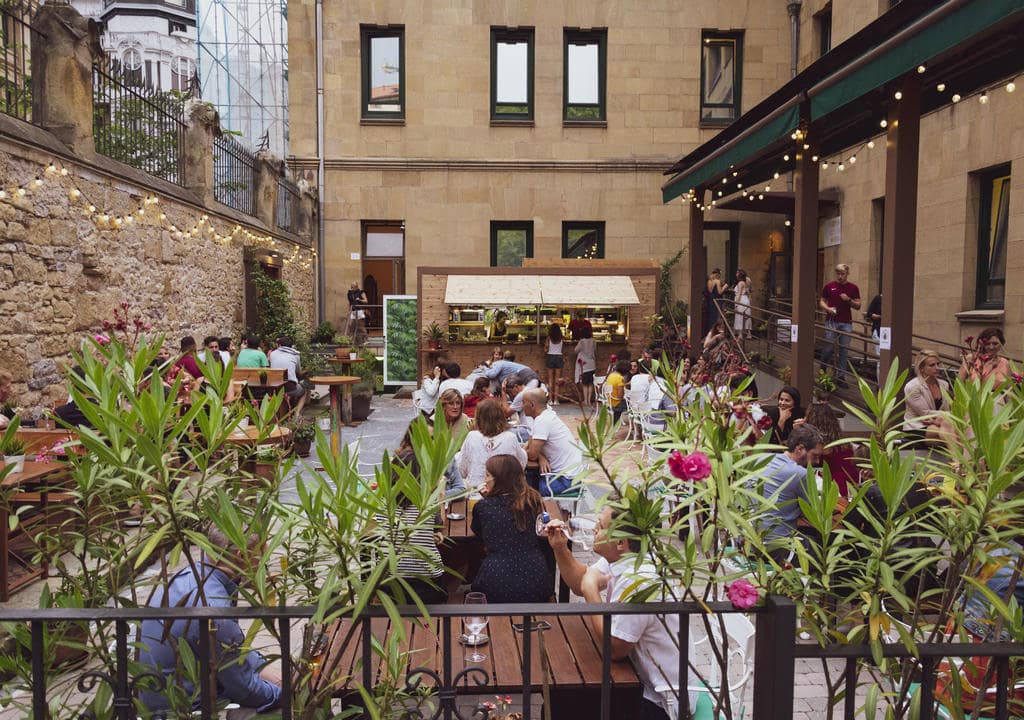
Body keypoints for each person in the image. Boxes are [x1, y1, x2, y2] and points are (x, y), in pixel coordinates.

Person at [544, 504, 698, 719]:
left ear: (620, 543)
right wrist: (560, 548)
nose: (594, 528)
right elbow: (581, 581)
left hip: (661, 699)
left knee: (565, 699)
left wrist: (591, 591)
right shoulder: (626, 558)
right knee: (561, 693)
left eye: (600, 525)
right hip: (637, 678)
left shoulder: (641, 579)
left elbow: (614, 649)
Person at [137, 526, 281, 714]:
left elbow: (228, 651)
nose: (265, 567)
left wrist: (262, 666)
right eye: (263, 559)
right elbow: (247, 690)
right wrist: (287, 691)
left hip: (154, 695)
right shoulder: (215, 607)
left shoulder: (192, 575)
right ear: (241, 555)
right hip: (181, 709)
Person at [470, 454, 554, 603]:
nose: (485, 479)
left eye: (488, 475)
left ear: (499, 479)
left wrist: (488, 499)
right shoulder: (533, 500)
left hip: (495, 581)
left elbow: (478, 531)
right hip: (537, 580)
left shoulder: (483, 507)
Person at [374, 448, 447, 604]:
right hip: (427, 583)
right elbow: (440, 524)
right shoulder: (426, 502)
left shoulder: (382, 502)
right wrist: (440, 495)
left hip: (389, 580)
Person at [753, 423, 823, 562]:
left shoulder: (761, 460)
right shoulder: (800, 473)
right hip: (777, 547)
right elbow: (814, 513)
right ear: (800, 449)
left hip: (748, 542)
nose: (817, 461)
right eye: (815, 455)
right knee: (822, 551)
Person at [522, 388, 583, 494]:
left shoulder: (542, 421)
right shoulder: (546, 415)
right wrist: (541, 456)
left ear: (532, 405)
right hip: (573, 477)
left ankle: (541, 510)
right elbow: (529, 445)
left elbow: (531, 454)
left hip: (567, 481)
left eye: (523, 402)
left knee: (524, 486)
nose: (522, 406)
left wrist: (536, 455)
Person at [458, 399, 527, 489]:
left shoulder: (472, 436)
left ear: (478, 418)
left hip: (476, 490)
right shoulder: (510, 437)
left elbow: (461, 469)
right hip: (504, 491)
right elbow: (521, 464)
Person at [802, 403, 857, 497]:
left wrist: (799, 431)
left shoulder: (818, 444)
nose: (804, 419)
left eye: (806, 416)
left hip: (833, 489)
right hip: (851, 487)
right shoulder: (842, 440)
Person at [819, 264, 861, 386]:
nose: (840, 276)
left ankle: (841, 376)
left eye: (842, 274)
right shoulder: (829, 286)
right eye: (838, 273)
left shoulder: (853, 288)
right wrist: (828, 309)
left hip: (846, 322)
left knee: (844, 350)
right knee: (828, 348)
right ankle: (823, 369)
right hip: (831, 321)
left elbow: (858, 305)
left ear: (847, 274)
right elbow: (821, 301)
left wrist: (848, 300)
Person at [904, 350, 955, 446]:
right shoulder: (912, 387)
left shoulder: (944, 384)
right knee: (947, 433)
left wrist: (940, 419)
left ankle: (956, 459)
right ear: (921, 368)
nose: (937, 368)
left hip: (938, 423)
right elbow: (925, 414)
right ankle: (959, 459)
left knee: (947, 431)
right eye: (932, 365)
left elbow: (945, 409)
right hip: (917, 426)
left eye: (938, 364)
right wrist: (951, 415)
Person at [269, 336, 306, 415]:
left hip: (274, 387)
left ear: (279, 345)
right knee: (304, 392)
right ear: (291, 346)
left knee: (283, 393)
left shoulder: (272, 354)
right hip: (289, 387)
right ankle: (297, 413)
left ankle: (284, 416)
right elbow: (298, 371)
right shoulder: (295, 355)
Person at [575, 325, 597, 408]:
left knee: (584, 384)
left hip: (584, 365)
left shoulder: (582, 341)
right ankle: (589, 400)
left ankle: (585, 400)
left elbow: (576, 350)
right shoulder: (593, 341)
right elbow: (595, 350)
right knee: (590, 383)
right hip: (592, 364)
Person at [544, 324, 565, 405]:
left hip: (550, 357)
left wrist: (546, 350)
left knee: (550, 380)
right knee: (557, 380)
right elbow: (562, 350)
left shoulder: (549, 338)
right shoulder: (561, 338)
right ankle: (556, 400)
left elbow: (546, 349)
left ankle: (550, 400)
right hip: (559, 357)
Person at [604, 360, 629, 425]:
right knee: (634, 406)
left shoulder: (611, 375)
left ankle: (615, 423)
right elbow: (620, 396)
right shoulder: (620, 378)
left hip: (609, 400)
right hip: (616, 403)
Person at [865, 293, 882, 379]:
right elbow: (869, 314)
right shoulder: (878, 298)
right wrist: (880, 317)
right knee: (881, 358)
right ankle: (880, 385)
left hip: (892, 333)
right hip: (879, 330)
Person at [733, 270, 752, 339]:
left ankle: (740, 334)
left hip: (741, 300)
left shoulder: (740, 283)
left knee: (739, 316)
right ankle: (748, 334)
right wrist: (749, 299)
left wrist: (736, 304)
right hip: (745, 299)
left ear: (739, 275)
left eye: (737, 273)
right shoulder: (745, 282)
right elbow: (748, 291)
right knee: (747, 317)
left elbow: (739, 294)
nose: (736, 274)